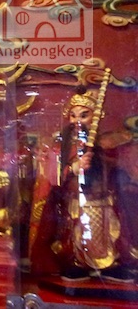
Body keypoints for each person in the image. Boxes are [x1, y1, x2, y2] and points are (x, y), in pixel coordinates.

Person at [32, 88, 134, 283]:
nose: (77, 120)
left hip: (104, 200)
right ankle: (77, 263)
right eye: (73, 115)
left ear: (96, 117)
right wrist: (73, 167)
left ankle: (110, 265)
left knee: (110, 231)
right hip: (75, 201)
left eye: (84, 115)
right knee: (75, 234)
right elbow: (52, 176)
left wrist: (101, 158)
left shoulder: (108, 143)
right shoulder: (61, 145)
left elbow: (121, 169)